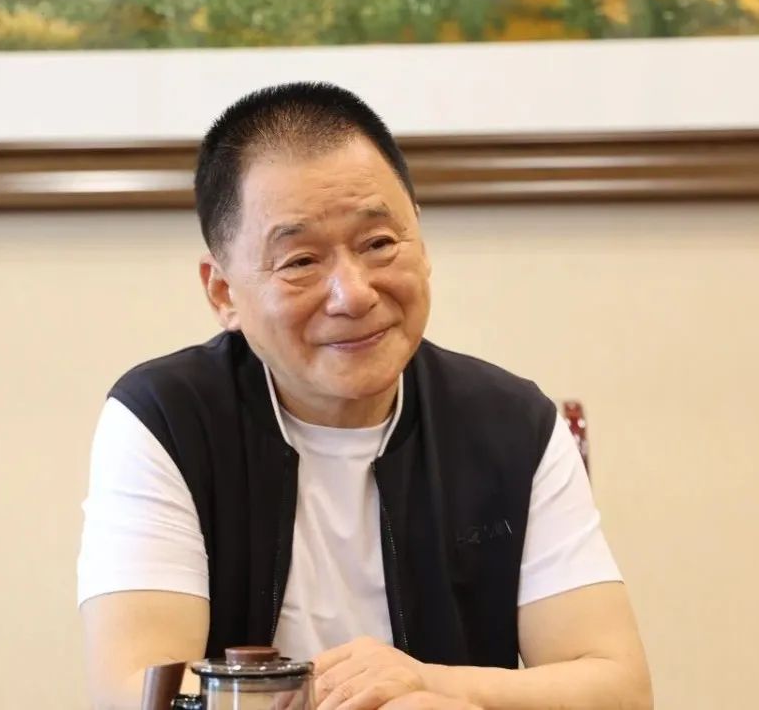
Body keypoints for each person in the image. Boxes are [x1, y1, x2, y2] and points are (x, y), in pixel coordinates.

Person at [78, 82, 652, 710]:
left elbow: (618, 690)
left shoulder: (514, 426)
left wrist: (430, 685)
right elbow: (136, 690)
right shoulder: (165, 421)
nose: (352, 294)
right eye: (300, 261)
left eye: (379, 244)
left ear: (421, 245)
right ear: (223, 293)